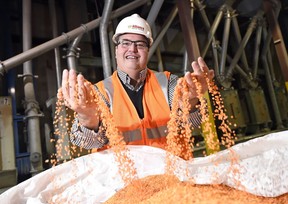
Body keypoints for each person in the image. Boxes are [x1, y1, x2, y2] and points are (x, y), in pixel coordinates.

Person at [59, 14, 214, 151]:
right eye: (125, 43)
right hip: (125, 180)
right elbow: (87, 143)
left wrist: (192, 101)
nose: (132, 49)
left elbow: (191, 124)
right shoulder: (98, 93)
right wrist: (87, 118)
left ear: (148, 50)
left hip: (172, 176)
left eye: (140, 44)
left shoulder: (169, 83)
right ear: (116, 50)